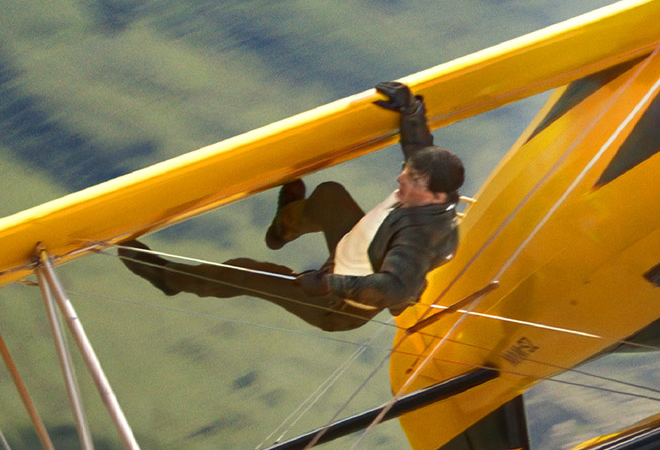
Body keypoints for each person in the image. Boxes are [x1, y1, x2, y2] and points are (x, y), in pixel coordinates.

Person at [118, 82, 464, 332]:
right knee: (330, 195)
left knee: (246, 272)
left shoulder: (418, 239)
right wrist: (411, 110)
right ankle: (283, 227)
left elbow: (395, 290)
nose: (401, 180)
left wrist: (330, 286)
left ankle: (167, 278)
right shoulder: (437, 192)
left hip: (337, 306)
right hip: (360, 250)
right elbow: (420, 154)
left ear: (432, 198)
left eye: (412, 182)